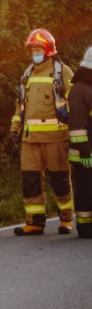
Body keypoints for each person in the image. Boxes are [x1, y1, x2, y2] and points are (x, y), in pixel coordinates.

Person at [10, 29, 75, 236]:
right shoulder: (27, 73)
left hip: (56, 137)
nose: (34, 53)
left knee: (60, 180)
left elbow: (74, 103)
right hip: (30, 139)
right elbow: (20, 105)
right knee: (30, 181)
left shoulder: (62, 72)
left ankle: (66, 219)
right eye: (32, 50)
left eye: (37, 49)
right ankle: (34, 222)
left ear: (48, 50)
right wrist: (14, 129)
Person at [68, 46, 92, 238]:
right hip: (85, 154)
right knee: (85, 189)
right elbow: (77, 126)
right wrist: (85, 151)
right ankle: (84, 227)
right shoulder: (79, 91)